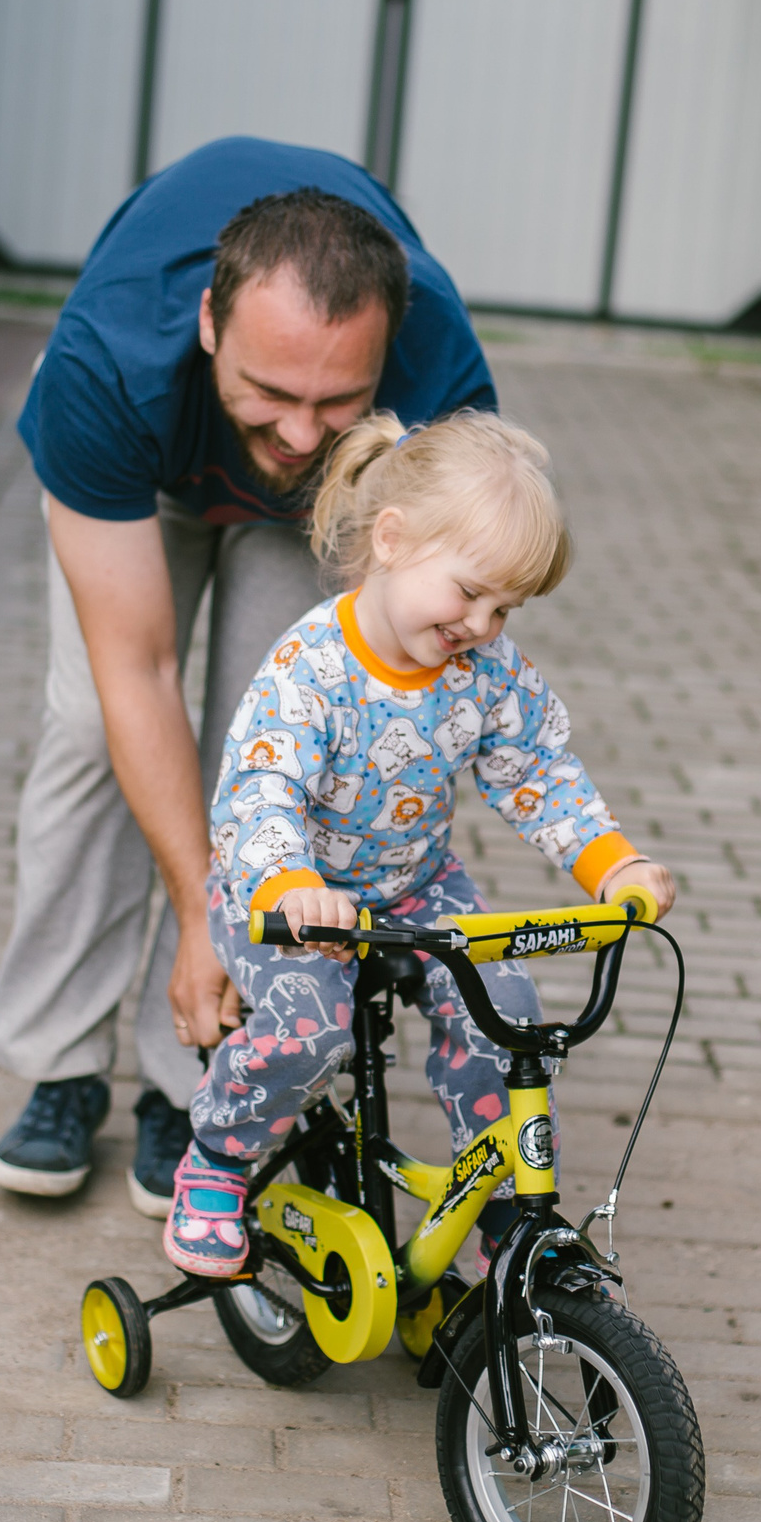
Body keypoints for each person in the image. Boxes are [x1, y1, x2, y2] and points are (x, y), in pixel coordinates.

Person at [0, 138, 497, 1213]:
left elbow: (445, 596)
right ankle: (60, 1065)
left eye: (335, 398)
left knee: (283, 754)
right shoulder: (106, 362)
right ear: (211, 327)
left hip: (333, 512)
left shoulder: (437, 375)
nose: (300, 430)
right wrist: (197, 905)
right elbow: (139, 668)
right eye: (270, 392)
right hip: (152, 469)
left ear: (389, 353)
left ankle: (194, 1078)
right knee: (93, 729)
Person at [161, 408, 676, 1276]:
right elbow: (261, 791)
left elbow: (535, 769)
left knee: (505, 1014)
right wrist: (288, 883)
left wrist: (609, 860)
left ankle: (505, 1206)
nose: (480, 622)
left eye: (505, 608)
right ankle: (217, 1158)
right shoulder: (311, 668)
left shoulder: (485, 672)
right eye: (470, 591)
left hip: (414, 883)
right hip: (290, 894)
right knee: (308, 1025)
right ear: (393, 540)